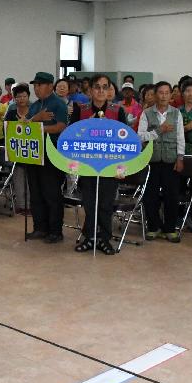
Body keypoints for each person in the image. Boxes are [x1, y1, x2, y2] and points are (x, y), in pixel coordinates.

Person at [70, 74, 126, 254]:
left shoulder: (118, 111)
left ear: (110, 89)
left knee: (105, 204)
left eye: (105, 87)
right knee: (90, 203)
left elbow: (125, 143)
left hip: (110, 167)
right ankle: (90, 237)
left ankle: (104, 239)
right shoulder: (81, 110)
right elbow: (72, 138)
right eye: (97, 87)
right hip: (88, 165)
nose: (101, 91)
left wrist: (121, 168)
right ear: (90, 90)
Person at [138, 81, 185, 243]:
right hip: (151, 160)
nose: (164, 96)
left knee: (172, 196)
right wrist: (159, 130)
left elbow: (180, 137)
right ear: (155, 94)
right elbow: (141, 136)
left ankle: (170, 229)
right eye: (161, 92)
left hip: (171, 160)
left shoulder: (176, 113)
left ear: (171, 95)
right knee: (150, 196)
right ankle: (153, 227)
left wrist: (180, 158)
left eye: (167, 92)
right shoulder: (146, 113)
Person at [26, 71, 69, 243]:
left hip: (52, 155)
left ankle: (55, 231)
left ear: (50, 86)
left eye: (39, 85)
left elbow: (60, 126)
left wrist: (39, 127)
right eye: (35, 85)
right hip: (34, 154)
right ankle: (40, 228)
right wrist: (37, 119)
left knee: (51, 194)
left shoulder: (58, 104)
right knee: (36, 193)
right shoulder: (35, 105)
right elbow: (27, 125)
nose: (36, 89)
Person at [4, 84, 32, 213]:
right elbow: (7, 131)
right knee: (18, 179)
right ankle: (21, 205)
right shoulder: (10, 113)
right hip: (17, 150)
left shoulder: (34, 112)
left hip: (31, 150)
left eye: (24, 96)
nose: (21, 99)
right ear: (14, 98)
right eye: (18, 96)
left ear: (28, 97)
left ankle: (31, 205)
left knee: (31, 181)